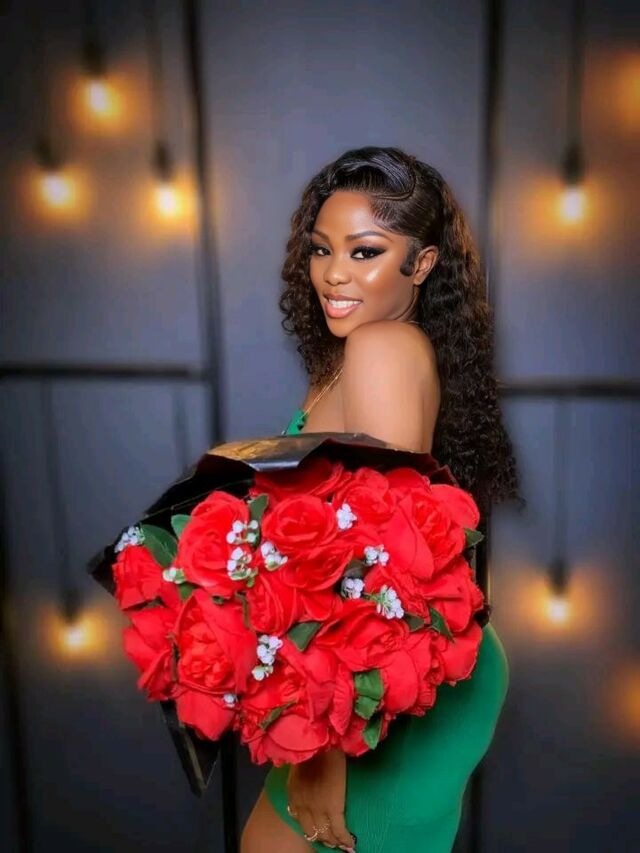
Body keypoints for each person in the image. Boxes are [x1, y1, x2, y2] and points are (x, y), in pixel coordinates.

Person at [240, 146, 522, 853]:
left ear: (421, 264)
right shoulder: (355, 354)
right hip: (376, 675)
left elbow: (384, 561)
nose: (333, 273)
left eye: (364, 251)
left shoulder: (382, 349)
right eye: (321, 249)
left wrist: (324, 745)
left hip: (376, 690)